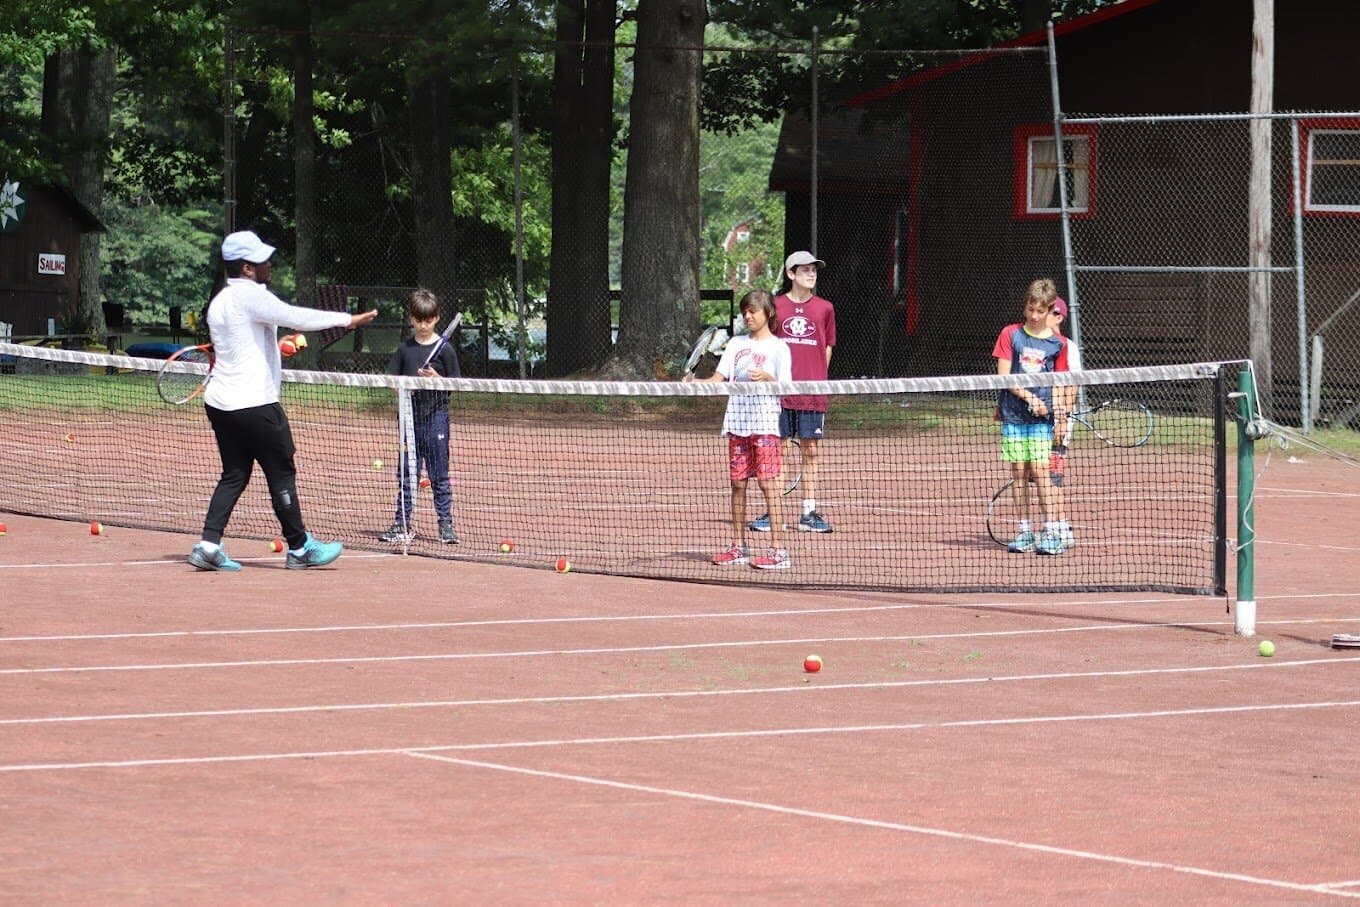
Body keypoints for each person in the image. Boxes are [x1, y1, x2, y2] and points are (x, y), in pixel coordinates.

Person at [187, 230, 378, 571]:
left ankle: (208, 546)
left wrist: (276, 349)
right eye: (262, 260)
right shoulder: (251, 296)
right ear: (247, 268)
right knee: (281, 474)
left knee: (234, 473)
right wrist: (347, 320)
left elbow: (240, 348)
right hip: (256, 404)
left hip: (221, 404)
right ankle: (301, 547)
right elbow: (296, 316)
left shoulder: (221, 302)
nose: (268, 264)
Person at [685, 289, 794, 570]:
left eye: (753, 311)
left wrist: (769, 378)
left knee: (769, 486)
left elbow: (788, 388)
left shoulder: (779, 348)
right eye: (745, 312)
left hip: (766, 424)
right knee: (738, 485)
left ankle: (779, 550)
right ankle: (738, 546)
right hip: (737, 424)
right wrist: (693, 383)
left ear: (767, 313)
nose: (747, 316)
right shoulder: (735, 344)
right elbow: (717, 380)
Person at [749, 250, 837, 535]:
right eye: (805, 270)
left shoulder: (825, 308)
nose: (811, 274)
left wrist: (815, 380)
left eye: (814, 269)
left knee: (811, 450)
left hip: (812, 393)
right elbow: (764, 343)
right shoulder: (775, 307)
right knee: (780, 450)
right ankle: (773, 510)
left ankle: (808, 513)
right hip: (780, 393)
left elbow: (827, 347)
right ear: (791, 274)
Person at [992, 278, 1070, 556]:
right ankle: (1025, 531)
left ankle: (1051, 532)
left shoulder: (1058, 344)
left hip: (1041, 421)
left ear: (1050, 309)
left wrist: (1058, 410)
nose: (1034, 316)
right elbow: (1004, 377)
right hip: (1013, 415)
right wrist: (1030, 398)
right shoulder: (1010, 335)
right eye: (1030, 309)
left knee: (1040, 471)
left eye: (1040, 310)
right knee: (1018, 472)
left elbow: (1059, 382)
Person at [378, 288, 461, 545]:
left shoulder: (445, 350)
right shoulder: (405, 349)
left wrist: (437, 380)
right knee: (407, 474)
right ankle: (401, 523)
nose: (423, 324)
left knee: (439, 474)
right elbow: (391, 380)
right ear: (411, 318)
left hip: (436, 419)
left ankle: (445, 525)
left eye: (428, 319)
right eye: (418, 319)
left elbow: (456, 385)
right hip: (408, 421)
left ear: (436, 318)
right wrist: (406, 385)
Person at [1047, 297, 1080, 550]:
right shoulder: (1034, 344)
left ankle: (1059, 527)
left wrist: (1062, 417)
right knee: (1040, 477)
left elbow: (1072, 384)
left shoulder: (1067, 346)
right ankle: (1057, 525)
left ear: (1058, 316)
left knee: (1052, 477)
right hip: (1034, 420)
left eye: (1046, 311)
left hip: (1058, 421)